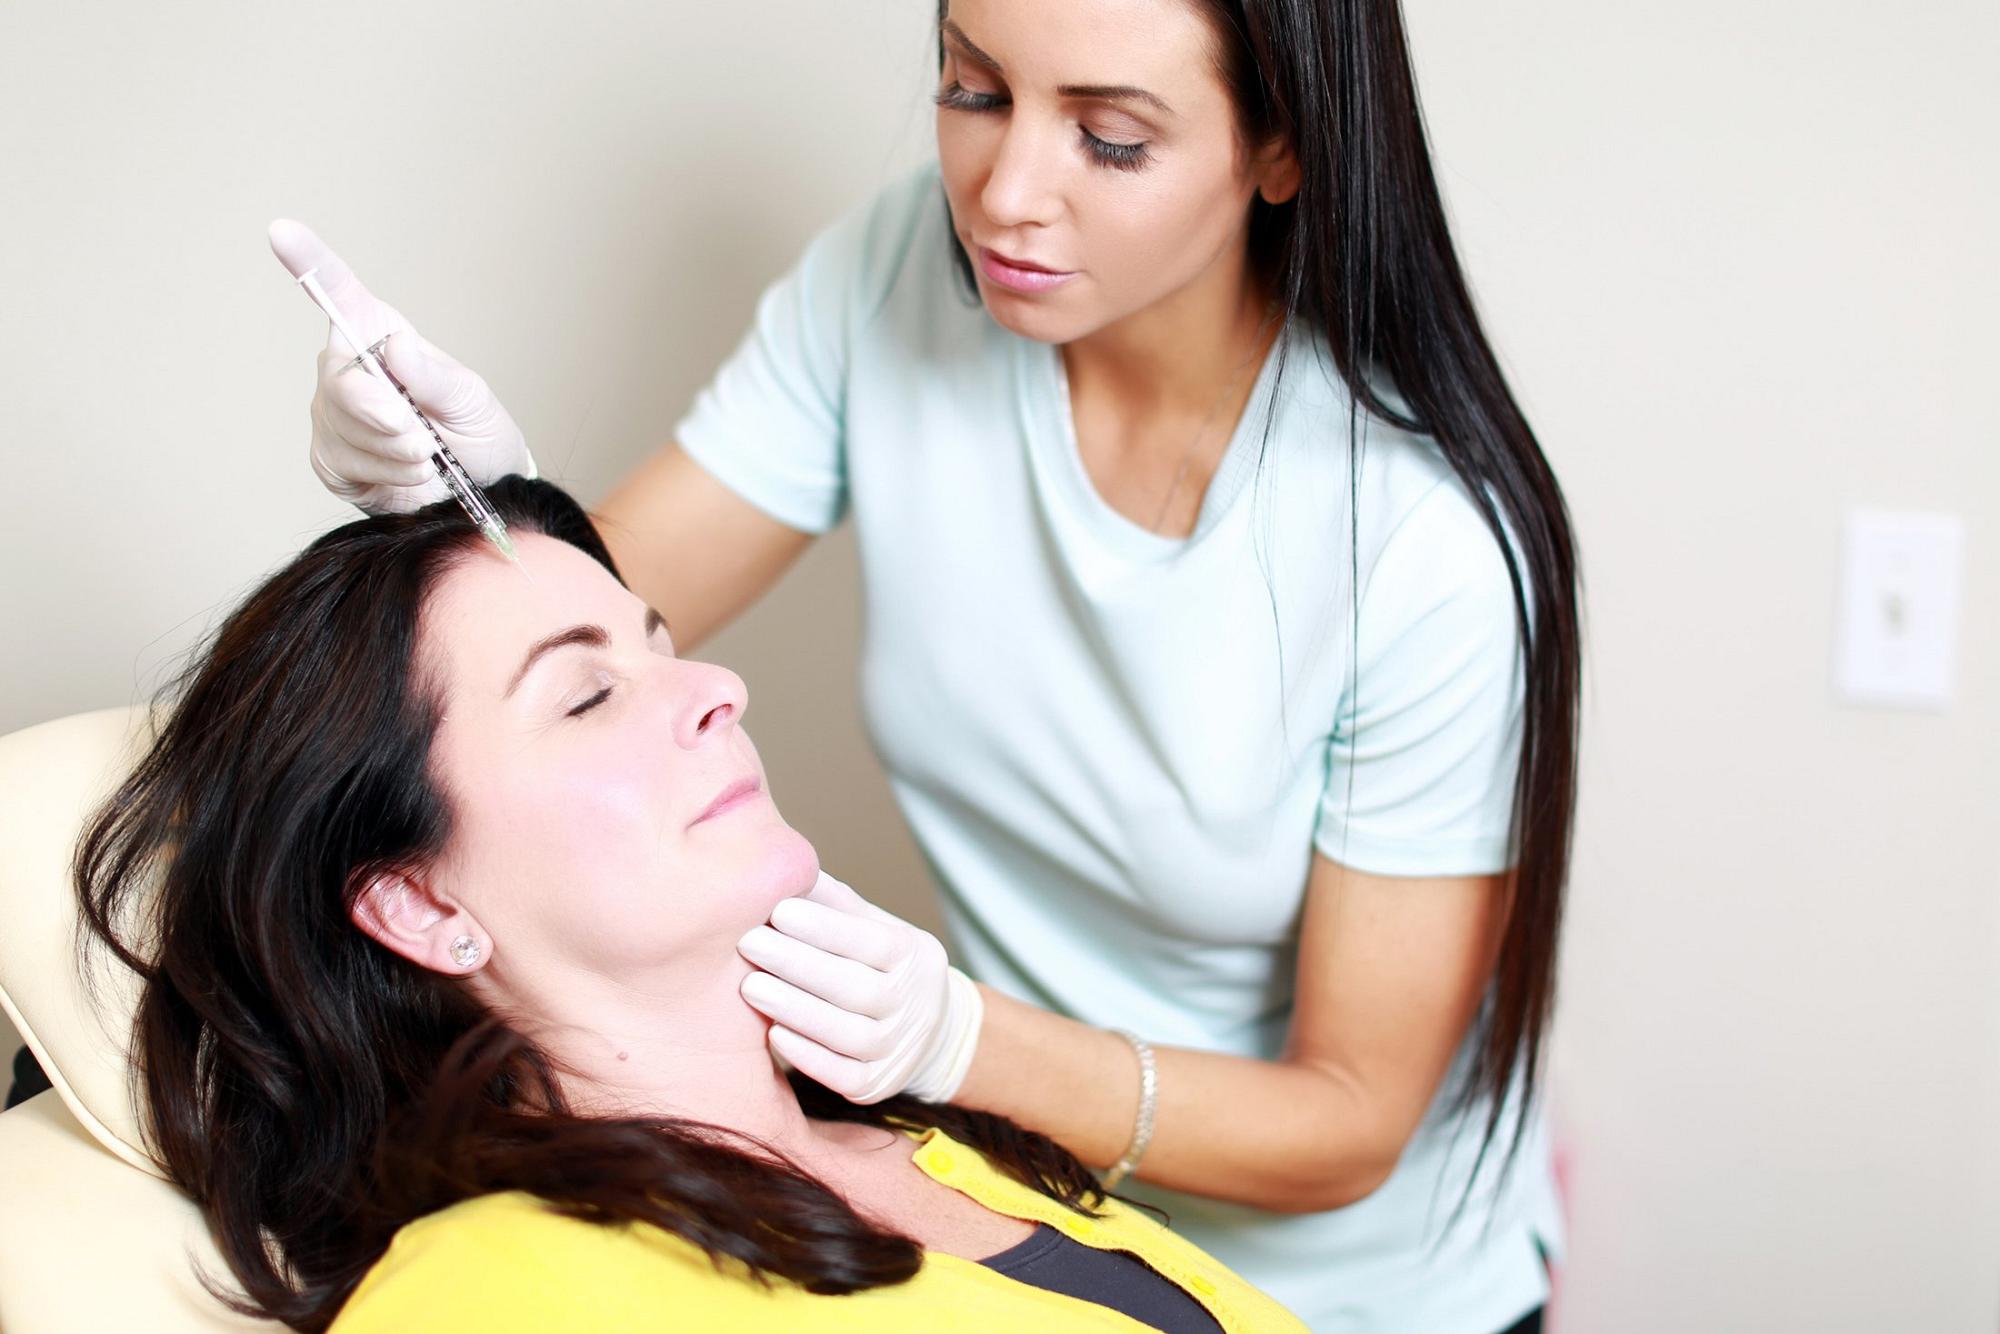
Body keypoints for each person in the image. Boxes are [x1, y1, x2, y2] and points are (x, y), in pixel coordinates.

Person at [274, 1, 1582, 1329]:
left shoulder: (1419, 545)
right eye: (972, 90)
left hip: (1345, 1287)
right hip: (1005, 1198)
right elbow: (582, 640)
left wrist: (962, 1043)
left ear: (1282, 146)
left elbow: (1348, 1120)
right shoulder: (903, 272)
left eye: (1112, 139)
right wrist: (478, 500)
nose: (1005, 194)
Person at [77, 479, 1304, 1333]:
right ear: (414, 900)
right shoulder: (495, 1291)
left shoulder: (937, 1143)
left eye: (660, 644)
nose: (717, 684)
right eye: (583, 694)